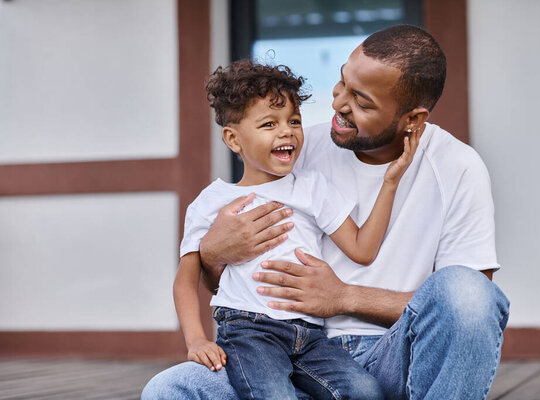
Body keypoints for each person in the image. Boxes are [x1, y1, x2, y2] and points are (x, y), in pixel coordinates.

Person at [142, 25, 510, 400]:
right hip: (285, 357)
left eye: (362, 102)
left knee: (468, 292)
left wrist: (344, 297)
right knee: (170, 389)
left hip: (398, 357)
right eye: (341, 83)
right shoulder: (297, 149)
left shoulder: (458, 167)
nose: (337, 104)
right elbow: (228, 282)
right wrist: (213, 253)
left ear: (413, 119)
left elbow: (463, 310)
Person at [172, 59, 420, 400]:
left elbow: (363, 249)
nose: (287, 131)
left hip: (310, 335)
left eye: (294, 121)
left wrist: (390, 182)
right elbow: (186, 278)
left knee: (365, 391)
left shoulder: (311, 187)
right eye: (269, 124)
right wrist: (196, 339)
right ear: (233, 139)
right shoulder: (212, 201)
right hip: (249, 330)